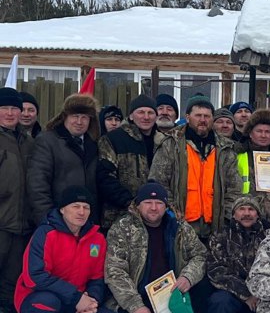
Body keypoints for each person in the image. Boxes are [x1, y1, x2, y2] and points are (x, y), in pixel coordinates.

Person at [14, 186, 123, 313]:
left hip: (77, 302)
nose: (81, 212)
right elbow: (35, 277)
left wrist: (91, 300)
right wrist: (76, 297)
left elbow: (97, 277)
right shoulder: (45, 234)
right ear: (62, 209)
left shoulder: (96, 239)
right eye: (75, 206)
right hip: (36, 300)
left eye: (86, 207)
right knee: (48, 301)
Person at [105, 182, 208, 313]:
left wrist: (187, 277)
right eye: (148, 202)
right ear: (138, 205)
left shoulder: (180, 227)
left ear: (165, 206)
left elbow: (200, 255)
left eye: (159, 203)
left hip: (172, 292)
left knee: (201, 286)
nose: (154, 208)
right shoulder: (123, 228)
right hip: (138, 294)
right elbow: (115, 272)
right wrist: (136, 306)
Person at [149, 94, 242, 241]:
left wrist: (226, 217)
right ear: (187, 117)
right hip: (180, 224)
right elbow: (158, 182)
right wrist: (173, 213)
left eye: (207, 116)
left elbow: (234, 187)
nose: (203, 120)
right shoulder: (171, 144)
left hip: (216, 226)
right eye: (198, 115)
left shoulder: (225, 148)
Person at [206, 196, 270, 313]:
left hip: (260, 295)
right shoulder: (220, 235)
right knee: (219, 300)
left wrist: (257, 294)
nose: (246, 213)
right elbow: (216, 271)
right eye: (242, 209)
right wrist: (245, 294)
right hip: (232, 294)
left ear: (258, 214)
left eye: (251, 209)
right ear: (234, 214)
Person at [28, 93, 100, 225]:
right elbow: (38, 184)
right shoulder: (48, 141)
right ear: (64, 117)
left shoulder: (95, 144)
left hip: (87, 220)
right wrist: (47, 219)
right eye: (75, 116)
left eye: (84, 117)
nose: (79, 122)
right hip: (57, 219)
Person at [97, 95, 164, 230]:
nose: (146, 117)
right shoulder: (113, 139)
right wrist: (132, 203)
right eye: (141, 112)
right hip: (120, 216)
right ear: (131, 116)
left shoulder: (164, 142)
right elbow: (105, 178)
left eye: (150, 113)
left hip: (157, 216)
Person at [0, 88, 34, 313]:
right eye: (5, 108)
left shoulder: (26, 140)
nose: (11, 113)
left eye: (15, 109)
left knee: (11, 278)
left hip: (20, 223)